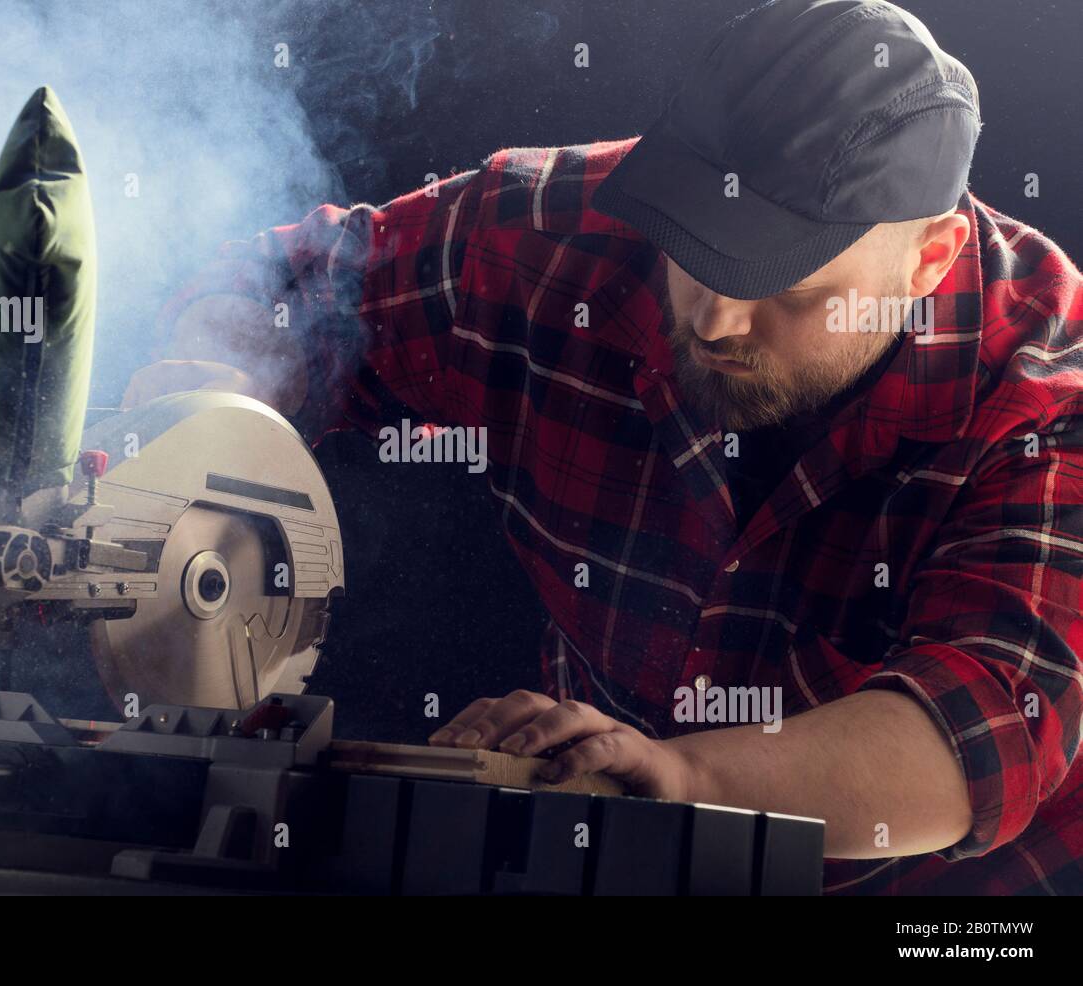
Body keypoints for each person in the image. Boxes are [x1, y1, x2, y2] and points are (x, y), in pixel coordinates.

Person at [123, 0, 1083, 894]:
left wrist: (681, 770)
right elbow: (279, 292)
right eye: (693, 249)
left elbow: (983, 729)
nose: (712, 317)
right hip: (604, 844)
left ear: (930, 256)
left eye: (786, 285)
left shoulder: (1047, 393)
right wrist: (211, 418)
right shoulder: (551, 231)